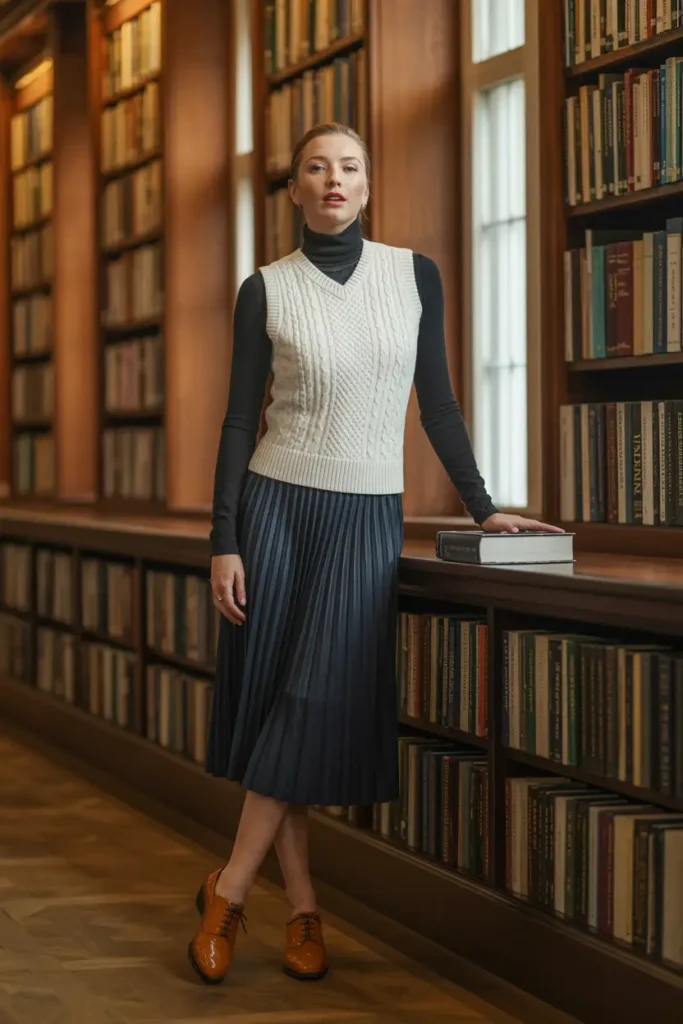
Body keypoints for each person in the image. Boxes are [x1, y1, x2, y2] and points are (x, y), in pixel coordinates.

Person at [188, 121, 561, 986]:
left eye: (348, 167)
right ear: (292, 189)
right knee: (286, 705)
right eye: (315, 168)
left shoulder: (411, 275)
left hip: (366, 520)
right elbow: (240, 420)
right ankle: (304, 908)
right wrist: (224, 541)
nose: (333, 180)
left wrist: (483, 506)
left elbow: (437, 405)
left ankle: (229, 888)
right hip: (275, 511)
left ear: (366, 184)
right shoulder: (265, 290)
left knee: (308, 704)